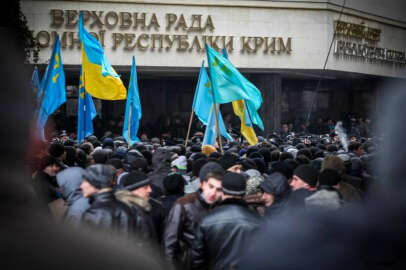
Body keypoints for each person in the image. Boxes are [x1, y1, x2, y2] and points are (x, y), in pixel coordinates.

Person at [190, 172, 259, 270]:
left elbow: (196, 259)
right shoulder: (257, 221)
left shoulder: (207, 220)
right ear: (243, 193)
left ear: (222, 191)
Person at [164, 162, 224, 270]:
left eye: (218, 188)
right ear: (201, 184)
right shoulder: (184, 205)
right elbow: (169, 244)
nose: (213, 193)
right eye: (210, 186)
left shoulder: (224, 206)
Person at [80, 164, 133, 236]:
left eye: (85, 181)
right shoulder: (122, 204)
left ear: (95, 182)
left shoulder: (96, 212)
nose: (81, 186)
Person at [117, 172, 158, 247]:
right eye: (145, 187)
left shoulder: (136, 208)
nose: (150, 190)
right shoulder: (134, 212)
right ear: (133, 190)